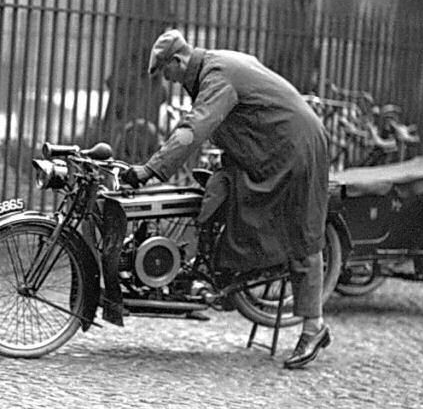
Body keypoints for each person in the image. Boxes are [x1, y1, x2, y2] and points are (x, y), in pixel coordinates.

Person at [120, 29, 331, 369]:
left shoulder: (216, 77)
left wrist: (150, 170)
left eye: (166, 71)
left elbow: (195, 128)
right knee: (216, 191)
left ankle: (313, 327)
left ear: (179, 60)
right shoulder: (215, 65)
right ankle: (222, 272)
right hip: (266, 146)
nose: (169, 80)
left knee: (302, 234)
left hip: (294, 146)